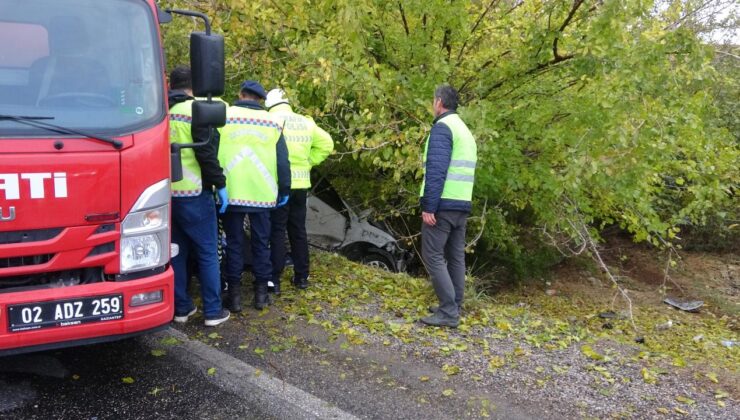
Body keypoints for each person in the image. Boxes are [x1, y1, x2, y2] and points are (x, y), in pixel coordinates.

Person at [219, 80, 290, 311]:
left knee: (234, 243)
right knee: (262, 243)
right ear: (261, 100)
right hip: (262, 194)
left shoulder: (224, 116)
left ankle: (235, 297)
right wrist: (285, 189)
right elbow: (282, 161)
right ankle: (261, 294)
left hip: (231, 192)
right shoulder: (273, 122)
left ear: (240, 94)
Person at [168, 66, 230, 327]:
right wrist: (220, 184)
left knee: (177, 253)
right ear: (195, 86)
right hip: (195, 194)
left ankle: (181, 308)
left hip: (166, 197)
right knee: (206, 252)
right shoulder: (197, 112)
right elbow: (205, 153)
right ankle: (213, 312)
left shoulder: (160, 113)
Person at [419, 85, 477, 329]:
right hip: (462, 203)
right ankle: (455, 304)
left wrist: (429, 206)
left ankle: (448, 311)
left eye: (434, 100)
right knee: (455, 257)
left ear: (439, 102)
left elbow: (436, 171)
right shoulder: (464, 130)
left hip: (442, 204)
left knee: (433, 255)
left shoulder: (443, 128)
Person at [265, 88, 334, 293]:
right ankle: (302, 277)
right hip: (301, 185)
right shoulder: (306, 122)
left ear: (270, 103)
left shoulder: (269, 119)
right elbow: (327, 144)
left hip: (278, 184)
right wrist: (308, 162)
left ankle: (274, 280)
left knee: (277, 231)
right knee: (298, 231)